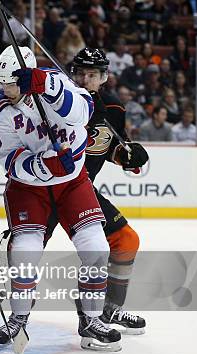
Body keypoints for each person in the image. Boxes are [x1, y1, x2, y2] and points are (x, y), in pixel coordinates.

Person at [0, 45, 121, 352]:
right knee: (26, 253)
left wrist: (47, 86)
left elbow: (83, 112)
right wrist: (44, 165)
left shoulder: (56, 82)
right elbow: (9, 159)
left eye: (9, 84)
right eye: (0, 83)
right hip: (28, 188)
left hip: (72, 184)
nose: (3, 90)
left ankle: (92, 317)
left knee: (97, 249)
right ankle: (19, 317)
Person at [47, 48, 148, 334]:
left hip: (81, 190)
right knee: (22, 252)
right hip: (44, 188)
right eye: (79, 73)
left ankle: (106, 311)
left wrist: (127, 156)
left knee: (125, 241)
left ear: (103, 77)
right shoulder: (55, 104)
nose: (84, 79)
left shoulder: (113, 109)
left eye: (92, 74)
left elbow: (111, 147)